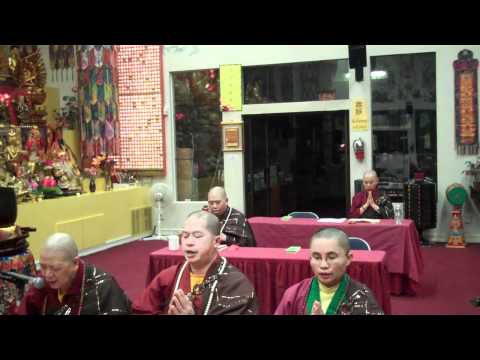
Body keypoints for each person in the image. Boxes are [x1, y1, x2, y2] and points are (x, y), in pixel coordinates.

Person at [133, 210, 258, 315]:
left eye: (197, 236)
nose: (189, 242)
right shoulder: (167, 277)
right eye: (185, 236)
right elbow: (142, 310)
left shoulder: (235, 284)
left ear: (216, 241)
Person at [16, 233, 131, 315]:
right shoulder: (42, 283)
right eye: (42, 266)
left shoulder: (103, 287)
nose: (47, 274)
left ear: (75, 263)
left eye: (55, 268)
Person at [275, 228, 383, 315]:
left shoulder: (362, 297)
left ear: (348, 259)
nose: (323, 265)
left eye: (331, 257)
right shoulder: (294, 294)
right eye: (317, 257)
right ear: (310, 259)